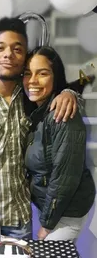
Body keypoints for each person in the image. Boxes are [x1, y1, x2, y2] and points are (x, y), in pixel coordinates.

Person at [0, 17, 79, 239]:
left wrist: (70, 93)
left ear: (23, 58)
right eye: (0, 48)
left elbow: (59, 87)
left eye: (17, 49)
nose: (8, 54)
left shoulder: (31, 96)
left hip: (20, 215)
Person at [23, 46, 95, 241]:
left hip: (66, 212)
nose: (32, 81)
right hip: (51, 207)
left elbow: (64, 179)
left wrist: (46, 225)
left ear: (56, 77)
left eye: (42, 73)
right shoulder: (38, 111)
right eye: (27, 73)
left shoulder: (62, 114)